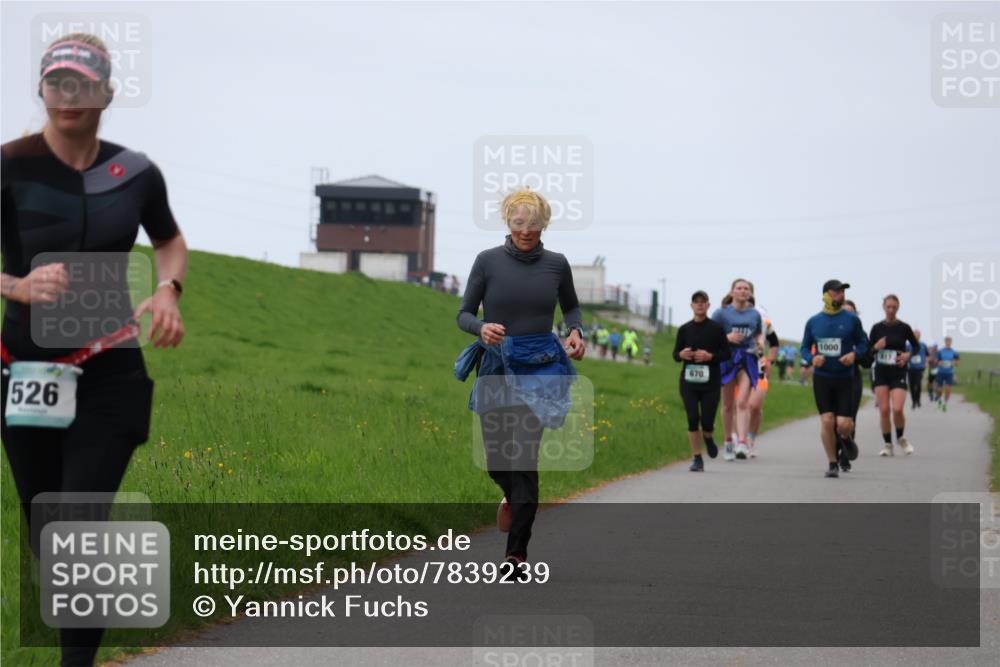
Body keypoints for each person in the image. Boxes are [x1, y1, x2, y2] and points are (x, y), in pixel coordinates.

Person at [1, 33, 187, 667]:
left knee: (78, 518)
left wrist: (168, 290)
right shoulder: (10, 165)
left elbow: (169, 241)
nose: (68, 95)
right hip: (24, 371)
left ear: (107, 91)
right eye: (57, 82)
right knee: (46, 528)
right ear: (42, 90)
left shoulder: (135, 172)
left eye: (82, 83)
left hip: (111, 370)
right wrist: (16, 284)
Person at [456, 187, 585, 574]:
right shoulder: (487, 261)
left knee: (524, 458)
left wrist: (576, 331)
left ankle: (516, 556)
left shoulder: (557, 264)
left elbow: (572, 306)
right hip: (496, 365)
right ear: (508, 222)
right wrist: (481, 328)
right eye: (518, 222)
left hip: (541, 367)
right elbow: (463, 314)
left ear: (544, 224)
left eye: (533, 223)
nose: (526, 229)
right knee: (499, 460)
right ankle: (513, 498)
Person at [800, 280, 867, 478]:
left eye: (843, 291)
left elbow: (863, 345)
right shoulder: (813, 322)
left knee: (844, 424)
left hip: (845, 378)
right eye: (837, 291)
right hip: (822, 379)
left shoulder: (852, 320)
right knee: (827, 420)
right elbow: (803, 348)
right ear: (826, 295)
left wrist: (854, 355)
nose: (841, 295)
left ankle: (845, 438)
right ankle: (832, 463)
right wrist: (813, 358)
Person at [673, 291, 731, 471]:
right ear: (691, 306)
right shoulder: (684, 329)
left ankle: (708, 436)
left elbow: (726, 354)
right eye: (696, 302)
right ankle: (697, 458)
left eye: (703, 302)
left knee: (706, 421)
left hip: (711, 383)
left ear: (708, 305)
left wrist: (709, 356)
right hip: (688, 382)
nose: (699, 305)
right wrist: (681, 354)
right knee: (692, 418)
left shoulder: (716, 328)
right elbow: (675, 354)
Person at [712, 279, 763, 461]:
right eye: (739, 288)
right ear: (732, 292)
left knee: (742, 402)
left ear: (750, 293)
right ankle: (728, 442)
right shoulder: (721, 314)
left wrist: (760, 342)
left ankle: (741, 442)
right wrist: (727, 337)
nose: (742, 291)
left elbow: (758, 332)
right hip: (726, 359)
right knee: (727, 405)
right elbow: (710, 335)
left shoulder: (754, 314)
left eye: (746, 288)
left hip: (747, 358)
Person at [869, 295, 919, 457]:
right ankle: (888, 444)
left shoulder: (904, 327)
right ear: (883, 307)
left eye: (894, 307)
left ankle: (901, 438)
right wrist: (876, 347)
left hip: (898, 370)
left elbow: (916, 347)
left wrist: (907, 355)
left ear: (898, 308)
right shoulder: (876, 328)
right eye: (888, 306)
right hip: (881, 371)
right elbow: (868, 352)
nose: (891, 310)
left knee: (897, 409)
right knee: (884, 410)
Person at [838, 300, 871, 472]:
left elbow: (867, 361)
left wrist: (854, 356)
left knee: (849, 419)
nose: (848, 316)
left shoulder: (860, 334)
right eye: (844, 312)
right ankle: (834, 453)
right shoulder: (829, 330)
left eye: (851, 312)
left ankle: (845, 455)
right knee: (832, 419)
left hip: (852, 378)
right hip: (831, 377)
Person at [934, 336, 960, 411]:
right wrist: (939, 362)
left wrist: (954, 363)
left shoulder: (954, 352)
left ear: (951, 342)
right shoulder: (940, 351)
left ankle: (945, 404)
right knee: (939, 389)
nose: (948, 343)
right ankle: (939, 400)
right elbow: (936, 361)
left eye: (949, 341)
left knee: (948, 389)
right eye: (947, 341)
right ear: (945, 342)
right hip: (941, 372)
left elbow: (958, 362)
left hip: (949, 373)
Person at [906, 329, 929, 409]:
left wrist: (926, 362)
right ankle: (913, 401)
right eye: (915, 334)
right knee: (912, 385)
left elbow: (927, 355)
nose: (916, 336)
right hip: (910, 368)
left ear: (920, 336)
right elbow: (905, 355)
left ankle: (918, 399)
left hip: (920, 368)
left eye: (918, 334)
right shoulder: (908, 346)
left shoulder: (923, 345)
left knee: (918, 384)